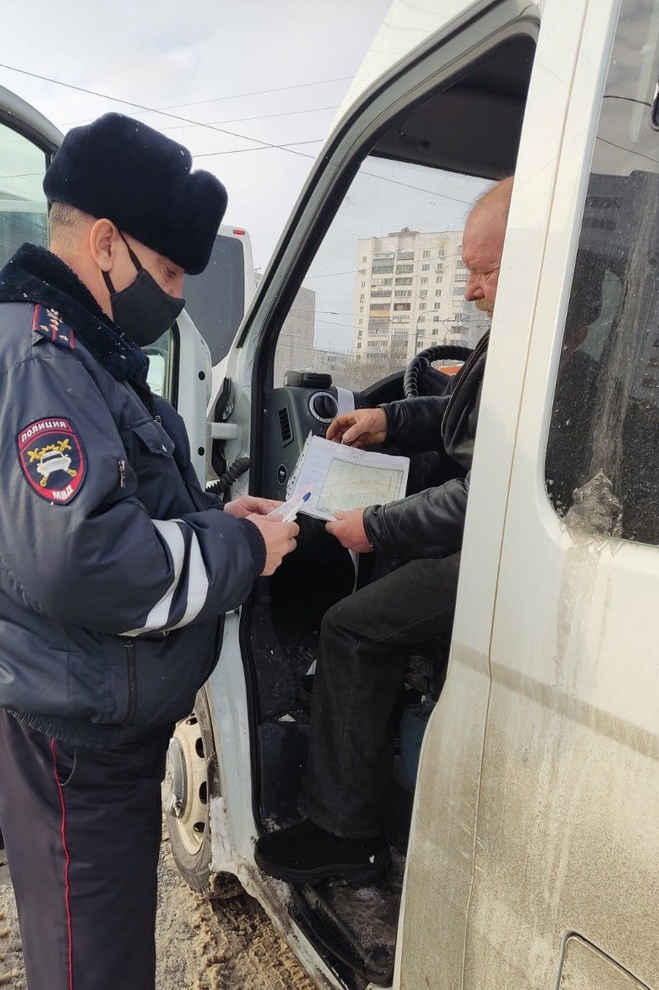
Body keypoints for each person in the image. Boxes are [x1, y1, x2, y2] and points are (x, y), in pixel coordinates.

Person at [0, 113, 298, 990]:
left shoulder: (80, 357)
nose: (172, 301)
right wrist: (244, 548)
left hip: (98, 726)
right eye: (168, 277)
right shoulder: (28, 362)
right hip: (72, 741)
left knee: (107, 989)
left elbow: (125, 502)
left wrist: (220, 512)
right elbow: (85, 560)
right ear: (104, 244)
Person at [254, 176, 513, 886]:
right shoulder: (530, 337)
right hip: (495, 538)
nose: (471, 290)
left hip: (500, 551)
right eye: (467, 270)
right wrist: (389, 420)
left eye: (486, 271)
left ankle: (343, 831)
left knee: (350, 627)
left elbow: (482, 495)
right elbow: (463, 419)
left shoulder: (547, 345)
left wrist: (378, 525)